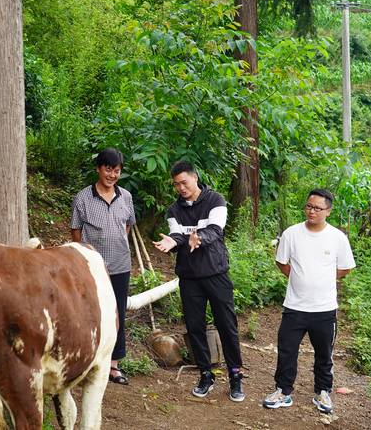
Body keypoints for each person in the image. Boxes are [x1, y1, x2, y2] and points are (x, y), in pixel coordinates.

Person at [152, 161, 245, 402]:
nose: (181, 188)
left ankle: (235, 375)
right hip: (189, 277)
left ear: (195, 178)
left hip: (216, 273)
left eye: (184, 182)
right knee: (195, 328)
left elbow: (215, 229)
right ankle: (206, 374)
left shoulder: (216, 201)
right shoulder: (174, 210)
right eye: (176, 184)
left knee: (227, 325)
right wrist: (174, 242)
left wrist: (198, 237)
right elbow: (176, 234)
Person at [262, 189, 355, 414]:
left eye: (318, 208)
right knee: (287, 351)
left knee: (324, 354)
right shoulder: (291, 234)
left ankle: (323, 392)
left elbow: (345, 267)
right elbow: (282, 262)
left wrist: (321, 278)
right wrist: (299, 277)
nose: (312, 211)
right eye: (309, 206)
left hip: (324, 309)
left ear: (328, 211)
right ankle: (283, 391)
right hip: (295, 306)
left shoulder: (337, 237)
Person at [71, 148, 136, 385]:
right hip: (91, 268)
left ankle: (113, 365)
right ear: (99, 169)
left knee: (117, 313)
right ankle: (86, 361)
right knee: (89, 312)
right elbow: (76, 231)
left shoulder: (126, 197)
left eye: (117, 171)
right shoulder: (83, 198)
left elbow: (127, 226)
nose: (112, 175)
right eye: (108, 169)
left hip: (120, 265)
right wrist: (84, 257)